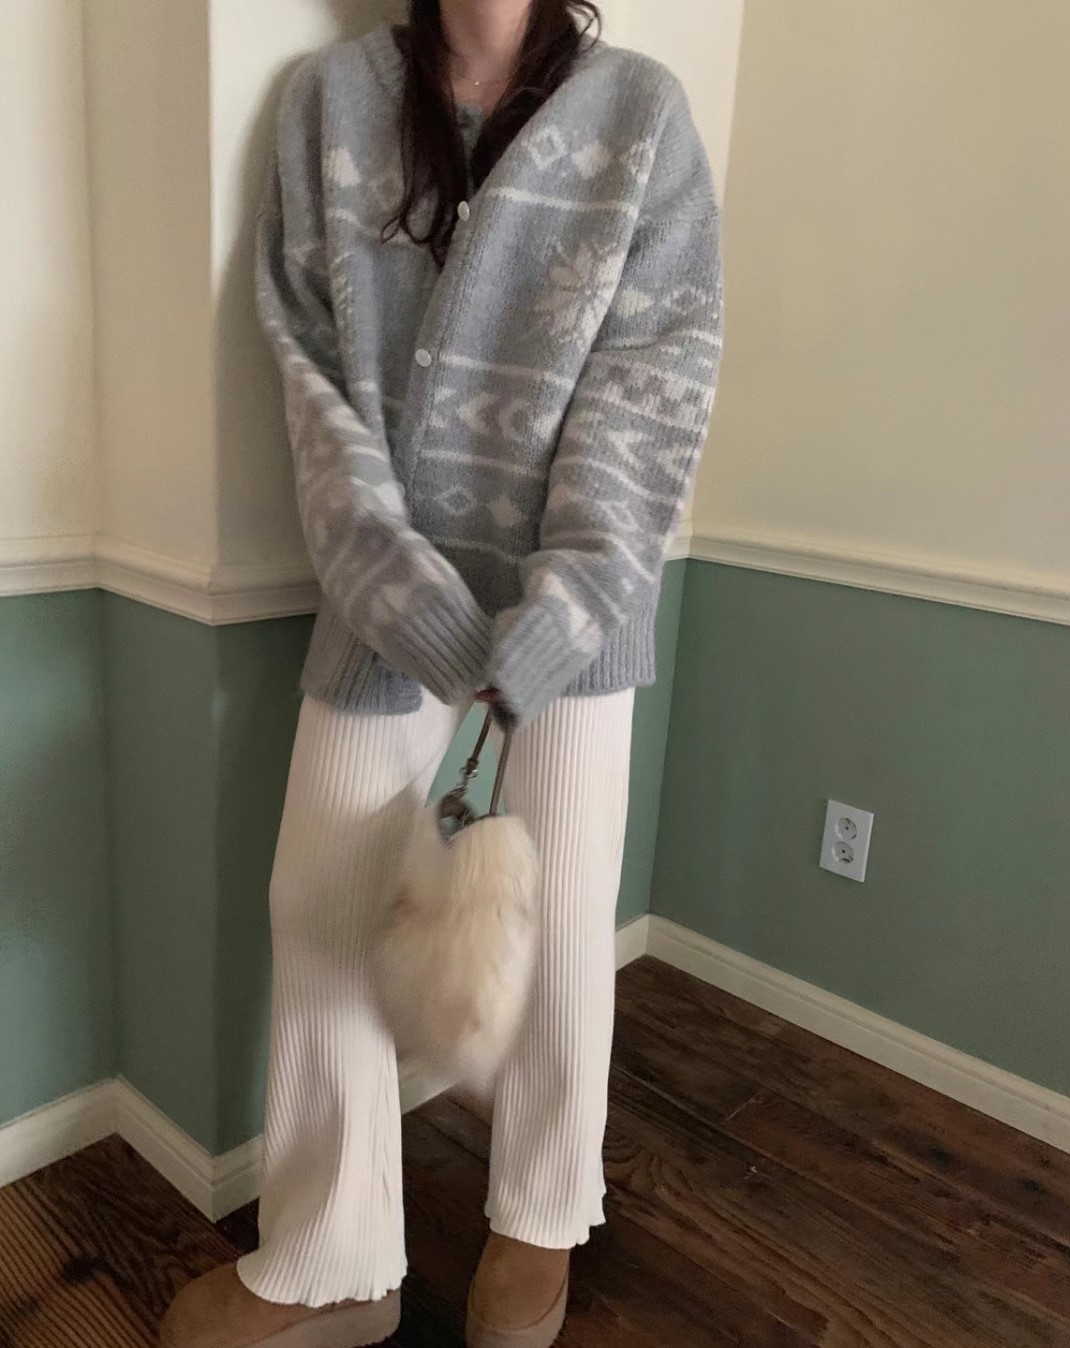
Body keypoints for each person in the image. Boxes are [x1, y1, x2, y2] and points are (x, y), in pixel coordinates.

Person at [160, 0, 722, 1344]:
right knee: (318, 903)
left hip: (569, 626)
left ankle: (542, 1214)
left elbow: (651, 397)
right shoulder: (330, 103)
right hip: (385, 610)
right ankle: (335, 1256)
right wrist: (441, 635)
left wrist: (536, 641)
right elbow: (314, 385)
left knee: (562, 923)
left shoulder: (641, 114)